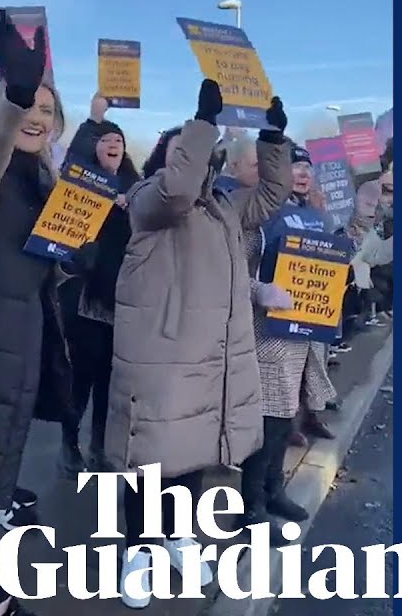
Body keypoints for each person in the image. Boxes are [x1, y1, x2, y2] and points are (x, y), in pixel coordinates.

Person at [108, 81, 292, 608]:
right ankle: (138, 548)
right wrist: (201, 120)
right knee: (149, 461)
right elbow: (176, 188)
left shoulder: (225, 208)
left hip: (208, 360)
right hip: (160, 358)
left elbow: (273, 195)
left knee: (192, 455)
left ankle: (178, 535)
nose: (195, 161)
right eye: (182, 151)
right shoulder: (150, 202)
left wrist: (273, 137)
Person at [0, 8, 65, 616]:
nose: (35, 116)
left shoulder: (49, 184)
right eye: (25, 106)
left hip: (18, 359)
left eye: (44, 110)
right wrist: (12, 92)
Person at [238, 139, 324, 542]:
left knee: (284, 416)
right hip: (264, 329)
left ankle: (274, 490)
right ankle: (251, 505)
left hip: (297, 332)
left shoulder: (308, 216)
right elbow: (234, 267)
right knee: (267, 422)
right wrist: (259, 290)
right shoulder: (252, 213)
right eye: (293, 166)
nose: (299, 173)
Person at [58, 93, 141, 475]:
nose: (112, 145)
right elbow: (72, 163)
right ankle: (68, 444)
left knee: (110, 382)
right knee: (81, 378)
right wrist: (95, 119)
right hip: (85, 298)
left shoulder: (134, 186)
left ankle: (99, 447)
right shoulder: (81, 182)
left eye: (118, 141)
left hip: (121, 301)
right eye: (105, 140)